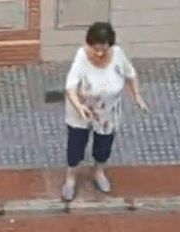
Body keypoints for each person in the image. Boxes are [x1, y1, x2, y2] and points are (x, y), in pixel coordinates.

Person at [62, 22, 149, 202]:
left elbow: (130, 74)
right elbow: (70, 87)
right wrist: (79, 106)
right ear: (89, 44)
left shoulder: (117, 54)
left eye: (104, 49)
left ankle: (98, 171)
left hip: (107, 111)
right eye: (96, 49)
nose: (100, 54)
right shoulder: (81, 57)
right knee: (76, 146)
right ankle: (70, 178)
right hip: (83, 111)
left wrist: (137, 96)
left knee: (103, 146)